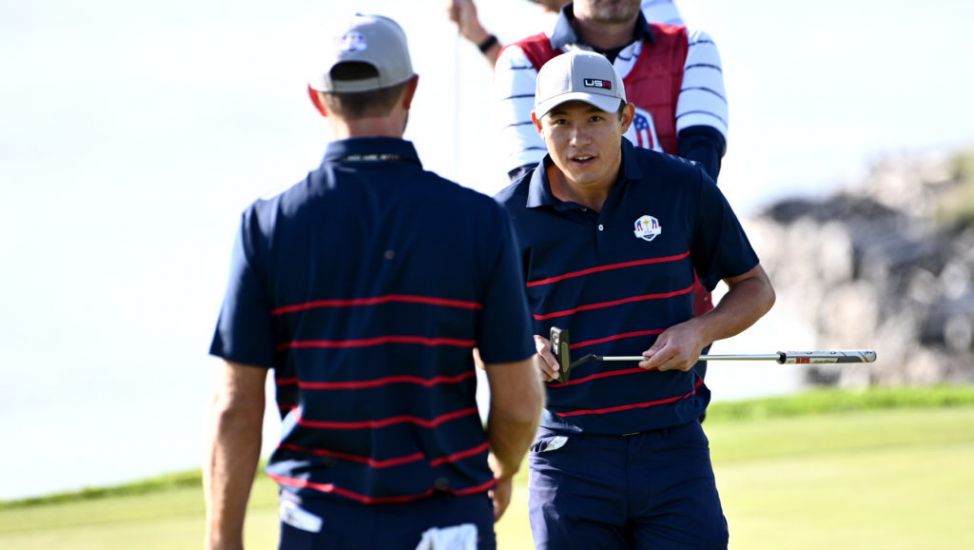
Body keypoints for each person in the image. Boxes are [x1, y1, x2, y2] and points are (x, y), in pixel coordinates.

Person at [204, 14, 544, 550]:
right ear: (410, 91)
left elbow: (234, 407)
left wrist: (223, 541)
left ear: (318, 99)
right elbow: (521, 402)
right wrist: (499, 465)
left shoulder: (267, 225)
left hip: (319, 523)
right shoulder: (478, 220)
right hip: (447, 520)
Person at [494, 50, 775, 549]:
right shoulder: (505, 216)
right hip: (567, 457)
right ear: (538, 124)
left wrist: (700, 330)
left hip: (673, 449)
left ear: (625, 117)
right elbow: (477, 328)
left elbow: (755, 288)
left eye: (595, 119)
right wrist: (521, 347)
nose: (579, 139)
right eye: (561, 121)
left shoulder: (682, 186)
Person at [495, 0, 725, 183]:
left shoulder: (692, 45)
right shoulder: (521, 58)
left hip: (673, 238)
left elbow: (701, 174)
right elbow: (530, 182)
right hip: (570, 241)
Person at [447, 1, 684, 68]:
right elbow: (533, 84)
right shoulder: (548, 24)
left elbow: (655, 68)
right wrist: (480, 36)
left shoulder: (642, 5)